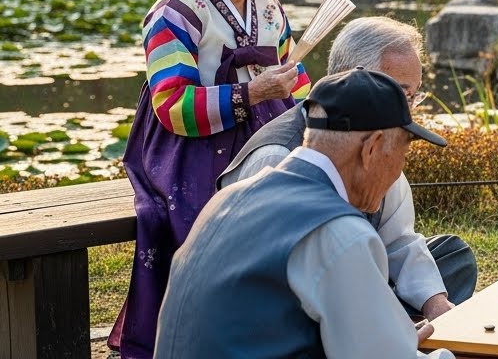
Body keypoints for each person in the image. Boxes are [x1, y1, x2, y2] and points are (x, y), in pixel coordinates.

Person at [111, 0, 310, 359]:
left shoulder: (270, 8)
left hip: (266, 129)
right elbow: (173, 107)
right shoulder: (174, 13)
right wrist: (253, 92)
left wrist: (318, 99)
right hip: (189, 145)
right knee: (214, 216)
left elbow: (293, 77)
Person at [155, 68, 456, 359]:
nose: (399, 170)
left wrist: (388, 340)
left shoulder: (229, 198)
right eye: (402, 154)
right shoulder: (337, 231)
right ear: (372, 148)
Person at [218, 16, 478, 319]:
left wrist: (436, 304)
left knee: (452, 255)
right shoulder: (276, 159)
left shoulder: (379, 138)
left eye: (413, 96)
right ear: (354, 79)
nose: (407, 109)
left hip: (354, 283)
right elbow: (273, 282)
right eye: (400, 93)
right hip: (290, 310)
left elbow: (398, 238)